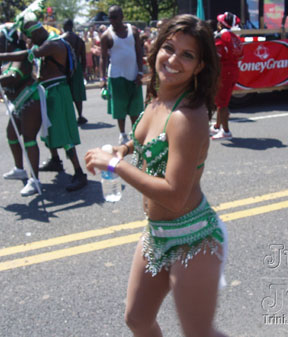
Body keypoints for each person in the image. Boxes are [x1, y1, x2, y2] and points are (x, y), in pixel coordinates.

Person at [85, 14, 228, 337]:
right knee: (137, 319)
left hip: (194, 237)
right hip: (157, 233)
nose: (174, 59)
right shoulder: (157, 99)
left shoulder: (187, 117)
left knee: (198, 332)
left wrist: (114, 166)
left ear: (200, 66)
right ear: (156, 48)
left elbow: (176, 197)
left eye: (187, 55)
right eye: (169, 48)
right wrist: (123, 150)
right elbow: (143, 141)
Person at [0, 19, 88, 195]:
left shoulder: (52, 44)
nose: (29, 41)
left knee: (63, 132)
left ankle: (79, 172)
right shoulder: (48, 41)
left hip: (58, 91)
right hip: (49, 90)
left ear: (36, 34)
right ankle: (55, 160)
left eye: (30, 38)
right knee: (49, 129)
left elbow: (29, 54)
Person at [0, 26, 37, 192]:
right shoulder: (6, 59)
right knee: (11, 134)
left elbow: (14, 77)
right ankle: (20, 169)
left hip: (30, 101)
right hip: (17, 104)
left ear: (9, 42)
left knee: (29, 139)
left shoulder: (20, 55)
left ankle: (35, 180)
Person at [100, 5, 144, 145]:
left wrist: (140, 72)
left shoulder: (133, 31)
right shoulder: (106, 35)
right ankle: (122, 134)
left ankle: (135, 133)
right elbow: (103, 58)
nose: (112, 20)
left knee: (135, 107)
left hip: (133, 74)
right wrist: (103, 79)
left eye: (115, 17)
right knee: (119, 108)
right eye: (110, 17)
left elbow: (139, 52)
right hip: (116, 76)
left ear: (122, 17)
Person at [209, 12, 244, 141]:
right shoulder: (234, 37)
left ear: (221, 24)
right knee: (221, 101)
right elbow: (241, 54)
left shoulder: (220, 37)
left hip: (224, 72)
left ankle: (226, 131)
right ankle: (217, 126)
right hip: (233, 71)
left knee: (222, 103)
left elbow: (217, 57)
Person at [62, 19, 88, 125]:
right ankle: (80, 115)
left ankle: (68, 117)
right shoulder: (79, 40)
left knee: (66, 93)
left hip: (64, 68)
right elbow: (84, 58)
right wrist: (84, 71)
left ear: (65, 26)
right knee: (77, 94)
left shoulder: (61, 39)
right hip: (77, 69)